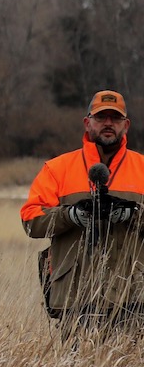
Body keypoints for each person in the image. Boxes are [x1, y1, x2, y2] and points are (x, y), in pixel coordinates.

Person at [21, 90, 144, 337]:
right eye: (101, 117)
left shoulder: (142, 168)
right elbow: (30, 219)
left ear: (126, 125)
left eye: (115, 118)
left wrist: (133, 215)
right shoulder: (58, 169)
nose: (108, 123)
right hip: (75, 296)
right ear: (87, 122)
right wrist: (70, 216)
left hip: (134, 296)